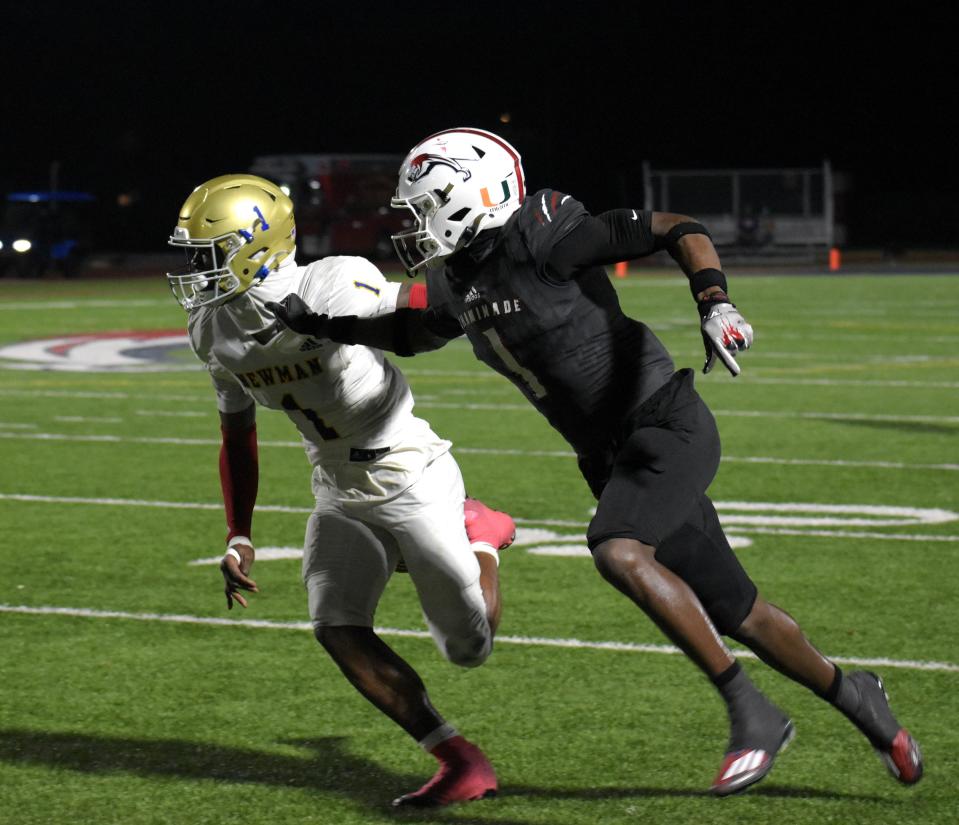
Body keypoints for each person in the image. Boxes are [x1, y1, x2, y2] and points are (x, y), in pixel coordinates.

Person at [266, 128, 924, 795]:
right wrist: (326, 322)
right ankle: (860, 700)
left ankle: (749, 712)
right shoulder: (457, 274)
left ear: (467, 195)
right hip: (607, 455)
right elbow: (414, 331)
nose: (412, 223)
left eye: (423, 206)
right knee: (736, 607)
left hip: (664, 422)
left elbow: (677, 226)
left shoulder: (543, 232)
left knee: (617, 550)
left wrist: (714, 300)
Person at [166, 173, 517, 808]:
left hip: (409, 467)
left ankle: (485, 536)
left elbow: (420, 310)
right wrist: (238, 535)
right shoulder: (212, 329)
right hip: (334, 480)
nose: (195, 270)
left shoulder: (328, 280)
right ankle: (458, 758)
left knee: (469, 648)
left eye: (207, 253)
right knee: (336, 624)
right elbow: (236, 435)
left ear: (253, 243)